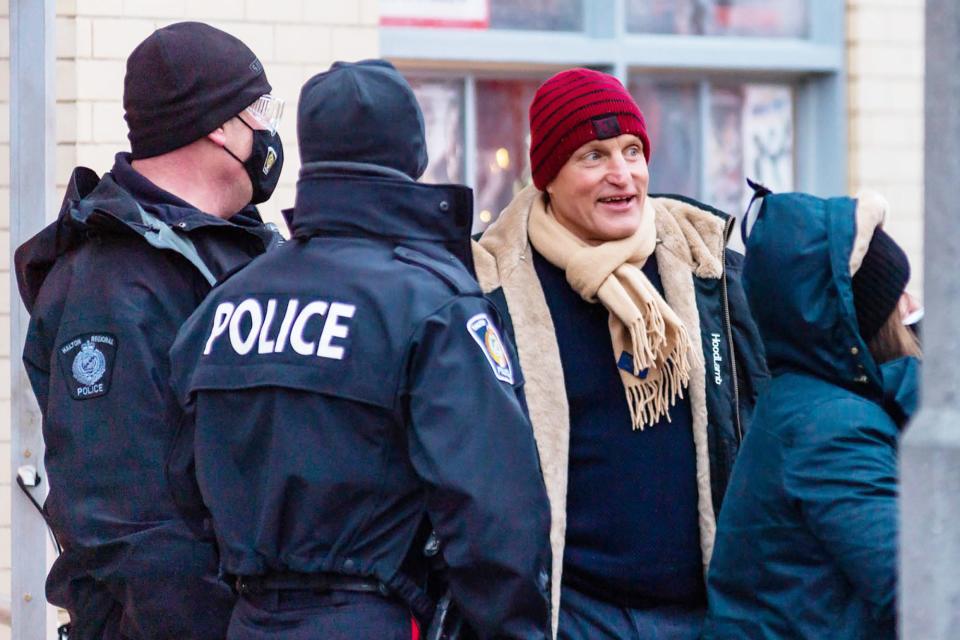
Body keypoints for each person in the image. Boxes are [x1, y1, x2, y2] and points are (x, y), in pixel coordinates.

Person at [167, 59, 552, 640]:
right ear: (413, 154)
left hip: (247, 620)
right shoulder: (433, 306)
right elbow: (494, 518)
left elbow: (179, 490)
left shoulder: (224, 306)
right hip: (377, 615)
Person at [472, 68, 769, 639]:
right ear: (548, 176)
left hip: (706, 610)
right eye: (593, 155)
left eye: (633, 150)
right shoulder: (492, 289)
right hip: (574, 614)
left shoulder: (707, 265)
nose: (622, 174)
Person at [15, 22, 284, 640]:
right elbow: (129, 525)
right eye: (260, 110)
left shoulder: (249, 253)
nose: (271, 133)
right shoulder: (108, 286)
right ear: (220, 125)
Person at [702, 191, 920, 639]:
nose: (911, 303)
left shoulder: (811, 402)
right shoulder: (831, 431)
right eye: (898, 293)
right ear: (867, 323)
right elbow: (920, 590)